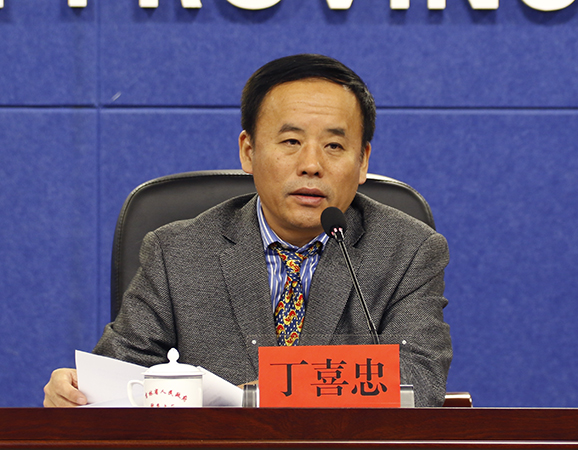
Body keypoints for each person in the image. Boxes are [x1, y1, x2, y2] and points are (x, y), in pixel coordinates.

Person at [44, 54, 452, 407]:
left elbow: (419, 383)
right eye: (290, 141)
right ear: (248, 151)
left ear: (362, 161)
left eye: (334, 146)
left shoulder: (409, 251)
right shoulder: (176, 252)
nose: (311, 165)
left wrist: (266, 394)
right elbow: (121, 377)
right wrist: (80, 390)